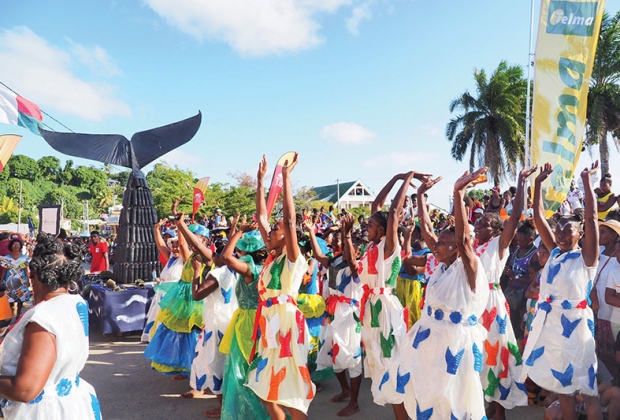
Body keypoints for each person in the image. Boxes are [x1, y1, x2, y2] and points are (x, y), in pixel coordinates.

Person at [382, 168, 490, 420]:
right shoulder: (443, 264)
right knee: (405, 384)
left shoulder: (469, 267)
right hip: (427, 335)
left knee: (449, 401)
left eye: (442, 243)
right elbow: (429, 230)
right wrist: (420, 196)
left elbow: (464, 240)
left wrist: (458, 194)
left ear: (456, 248)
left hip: (455, 342)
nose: (435, 246)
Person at [520, 162, 601, 419]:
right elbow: (538, 216)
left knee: (587, 389)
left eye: (569, 230)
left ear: (580, 234)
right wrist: (538, 184)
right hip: (552, 325)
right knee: (562, 386)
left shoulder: (586, 258)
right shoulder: (554, 252)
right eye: (559, 229)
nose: (562, 234)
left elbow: (590, 217)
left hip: (576, 327)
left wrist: (586, 182)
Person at [0, 233, 101, 419]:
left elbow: (25, 389)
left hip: (45, 412)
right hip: (73, 405)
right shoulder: (75, 303)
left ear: (31, 274)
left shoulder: (44, 318)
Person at [246, 154, 314, 419]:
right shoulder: (274, 255)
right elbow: (262, 216)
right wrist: (261, 181)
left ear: (286, 234)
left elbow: (289, 219)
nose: (269, 233)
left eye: (275, 230)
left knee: (291, 390)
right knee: (267, 389)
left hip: (286, 323)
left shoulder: (293, 258)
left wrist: (286, 178)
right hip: (269, 322)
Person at [352, 171, 425, 418]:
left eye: (370, 225)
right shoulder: (371, 246)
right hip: (371, 307)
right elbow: (377, 206)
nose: (366, 227)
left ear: (382, 230)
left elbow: (393, 212)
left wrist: (407, 180)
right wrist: (395, 177)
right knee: (380, 365)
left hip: (385, 308)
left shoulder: (388, 245)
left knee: (392, 363)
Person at [144, 199, 211, 379]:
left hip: (194, 299)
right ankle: (183, 368)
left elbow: (182, 245)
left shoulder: (201, 255)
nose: (191, 237)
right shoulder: (188, 255)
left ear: (203, 240)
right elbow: (175, 245)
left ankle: (197, 373)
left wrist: (179, 225)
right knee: (178, 334)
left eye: (194, 235)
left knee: (193, 335)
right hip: (181, 297)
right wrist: (176, 221)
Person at [218, 223, 270, 420]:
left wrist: (239, 231)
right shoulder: (265, 267)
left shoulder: (250, 270)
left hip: (249, 322)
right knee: (259, 369)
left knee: (243, 370)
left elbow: (225, 257)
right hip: (262, 317)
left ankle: (250, 413)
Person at [315, 214, 364, 417]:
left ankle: (354, 402)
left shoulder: (356, 266)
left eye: (344, 244)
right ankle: (344, 390)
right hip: (333, 313)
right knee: (332, 353)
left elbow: (351, 259)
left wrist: (347, 234)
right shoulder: (334, 262)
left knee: (351, 356)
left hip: (349, 316)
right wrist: (311, 231)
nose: (340, 245)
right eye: (338, 242)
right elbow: (319, 256)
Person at [141, 219, 187, 342]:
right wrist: (156, 229)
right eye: (174, 246)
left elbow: (183, 245)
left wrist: (179, 225)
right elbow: (161, 246)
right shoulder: (171, 257)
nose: (176, 248)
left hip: (174, 297)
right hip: (161, 296)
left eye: (178, 246)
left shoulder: (185, 259)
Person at [591, 219, 620, 376]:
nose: (599, 235)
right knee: (598, 351)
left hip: (613, 314)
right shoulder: (598, 252)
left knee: (614, 352)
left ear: (614, 235)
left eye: (603, 232)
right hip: (595, 310)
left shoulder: (619, 259)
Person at [0, 238, 31, 319]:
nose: (16, 246)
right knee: (9, 297)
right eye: (14, 245)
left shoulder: (24, 258)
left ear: (20, 246)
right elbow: (4, 270)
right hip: (9, 279)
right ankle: (10, 313)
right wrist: (1, 281)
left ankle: (18, 315)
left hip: (21, 279)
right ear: (11, 247)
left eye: (17, 244)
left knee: (21, 297)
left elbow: (25, 270)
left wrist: (27, 280)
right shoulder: (6, 258)